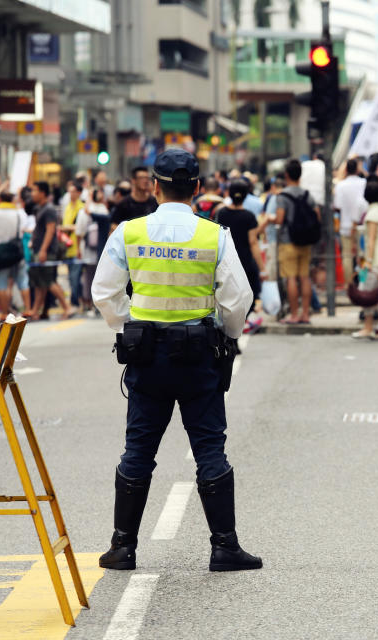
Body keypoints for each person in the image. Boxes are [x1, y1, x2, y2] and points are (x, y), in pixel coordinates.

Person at [91, 149, 259, 573]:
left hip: (146, 355)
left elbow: (104, 293)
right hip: (200, 354)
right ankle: (224, 547)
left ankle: (123, 548)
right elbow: (238, 299)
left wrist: (133, 324)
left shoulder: (128, 233)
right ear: (198, 189)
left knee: (139, 448)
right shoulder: (214, 236)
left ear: (153, 185)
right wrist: (227, 333)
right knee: (208, 447)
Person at [204, 178, 264, 304]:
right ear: (246, 195)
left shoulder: (221, 213)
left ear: (229, 193)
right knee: (246, 297)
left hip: (226, 261)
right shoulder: (249, 216)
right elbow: (253, 242)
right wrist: (262, 267)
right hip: (245, 262)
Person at [276, 159, 320, 324]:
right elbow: (317, 216)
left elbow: (280, 220)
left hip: (289, 241)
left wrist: (272, 220)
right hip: (306, 242)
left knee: (291, 278)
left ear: (286, 175)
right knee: (305, 277)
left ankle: (294, 315)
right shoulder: (307, 195)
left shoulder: (282, 196)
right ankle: (306, 314)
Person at [352, 181, 378, 339]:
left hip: (375, 258)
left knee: (366, 292)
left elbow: (370, 240)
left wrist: (367, 260)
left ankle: (368, 327)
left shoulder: (372, 214)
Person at [29, 181, 72, 320]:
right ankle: (35, 311)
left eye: (34, 190)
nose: (32, 194)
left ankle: (67, 308)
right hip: (39, 250)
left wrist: (43, 250)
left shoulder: (49, 209)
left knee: (48, 281)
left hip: (46, 251)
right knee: (40, 283)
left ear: (43, 193)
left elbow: (50, 230)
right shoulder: (40, 208)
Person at [0, 192, 31, 320]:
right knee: (22, 281)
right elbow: (22, 231)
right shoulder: (19, 213)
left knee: (1, 283)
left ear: (0, 199)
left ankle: (4, 312)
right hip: (16, 251)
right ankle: (28, 310)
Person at [76, 188, 109, 316]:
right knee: (100, 278)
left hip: (87, 250)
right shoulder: (103, 209)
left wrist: (78, 248)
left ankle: (88, 303)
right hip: (100, 251)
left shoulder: (84, 212)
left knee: (88, 278)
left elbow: (79, 232)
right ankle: (98, 305)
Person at [334, 158, 367, 285]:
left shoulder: (341, 185)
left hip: (346, 226)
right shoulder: (364, 183)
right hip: (362, 225)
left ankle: (349, 285)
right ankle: (363, 282)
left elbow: (337, 206)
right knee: (362, 255)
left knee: (347, 256)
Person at [109, 166, 158, 232]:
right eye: (141, 178)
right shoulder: (124, 204)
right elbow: (114, 226)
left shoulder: (155, 202)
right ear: (133, 180)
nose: (145, 181)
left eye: (147, 178)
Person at [61, 180, 85, 308]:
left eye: (74, 191)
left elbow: (80, 228)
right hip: (67, 246)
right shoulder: (68, 207)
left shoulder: (82, 208)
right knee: (71, 277)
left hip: (77, 247)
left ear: (79, 193)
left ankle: (75, 302)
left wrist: (68, 228)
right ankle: (79, 299)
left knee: (74, 277)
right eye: (70, 191)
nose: (71, 194)